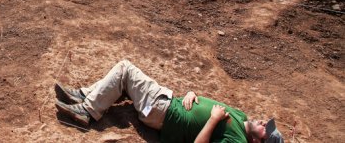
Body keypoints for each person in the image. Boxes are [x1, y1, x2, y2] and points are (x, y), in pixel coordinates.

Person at [54, 59, 285, 143]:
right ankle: (84, 96)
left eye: (267, 131)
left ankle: (86, 110)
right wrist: (192, 93)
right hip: (170, 102)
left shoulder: (237, 142)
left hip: (163, 112)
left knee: (125, 70)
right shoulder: (242, 117)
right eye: (268, 123)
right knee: (124, 81)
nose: (265, 123)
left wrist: (213, 120)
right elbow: (207, 104)